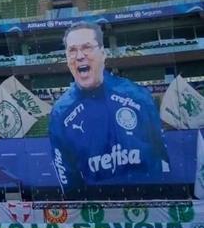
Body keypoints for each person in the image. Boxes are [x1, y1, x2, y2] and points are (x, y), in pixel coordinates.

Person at [49, 22, 169, 189]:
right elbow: (67, 178)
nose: (79, 56)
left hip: (148, 201)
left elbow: (160, 154)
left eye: (87, 47)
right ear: (67, 59)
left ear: (103, 54)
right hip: (98, 208)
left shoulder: (137, 96)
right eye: (72, 50)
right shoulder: (60, 113)